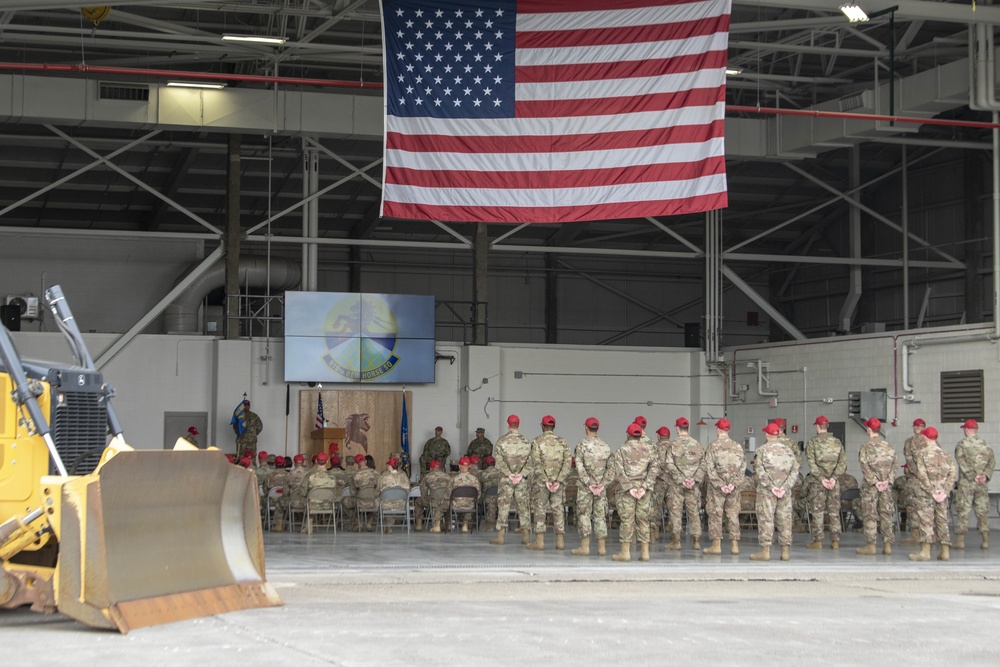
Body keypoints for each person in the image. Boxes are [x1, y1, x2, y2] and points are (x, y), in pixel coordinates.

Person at [608, 423, 659, 562]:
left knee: (627, 520)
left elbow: (618, 471)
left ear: (627, 435)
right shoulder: (649, 450)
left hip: (627, 491)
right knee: (643, 520)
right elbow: (654, 469)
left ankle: (625, 552)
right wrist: (645, 486)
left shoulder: (621, 450)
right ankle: (645, 552)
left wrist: (629, 487)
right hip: (644, 490)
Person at [751, 422, 799, 561]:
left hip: (767, 491)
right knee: (785, 520)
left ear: (767, 434)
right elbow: (794, 471)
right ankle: (785, 552)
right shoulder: (788, 451)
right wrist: (785, 487)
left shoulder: (761, 450)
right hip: (784, 491)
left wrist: (771, 486)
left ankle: (765, 552)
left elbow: (759, 471)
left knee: (766, 519)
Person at [909, 427, 957, 561]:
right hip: (942, 494)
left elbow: (922, 474)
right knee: (942, 521)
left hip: (926, 494)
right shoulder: (946, 454)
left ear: (925, 438)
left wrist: (932, 491)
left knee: (926, 521)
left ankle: (925, 552)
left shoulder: (922, 454)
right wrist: (945, 491)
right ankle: (945, 551)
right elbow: (952, 474)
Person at [526, 415, 572, 551]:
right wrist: (558, 480)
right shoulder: (562, 442)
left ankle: (539, 542)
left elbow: (536, 462)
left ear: (542, 426)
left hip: (541, 483)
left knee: (540, 509)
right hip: (558, 482)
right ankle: (560, 542)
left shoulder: (537, 441)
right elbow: (567, 463)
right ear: (554, 427)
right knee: (558, 510)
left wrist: (545, 479)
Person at [702, 419, 746, 555]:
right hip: (733, 487)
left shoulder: (713, 446)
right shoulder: (738, 447)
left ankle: (716, 545)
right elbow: (742, 468)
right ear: (728, 430)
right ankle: (734, 545)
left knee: (716, 514)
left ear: (718, 430)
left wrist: (720, 484)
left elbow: (709, 468)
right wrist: (733, 484)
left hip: (717, 488)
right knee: (733, 514)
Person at [662, 417, 705, 551]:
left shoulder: (673, 444)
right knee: (694, 512)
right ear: (688, 428)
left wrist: (681, 478)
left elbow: (669, 463)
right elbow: (703, 464)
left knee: (676, 512)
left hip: (677, 484)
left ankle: (676, 541)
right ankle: (696, 541)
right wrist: (693, 479)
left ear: (677, 428)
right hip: (693, 484)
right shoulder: (697, 444)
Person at [856, 418, 898, 556]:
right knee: (886, 514)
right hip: (886, 486)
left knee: (870, 515)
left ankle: (871, 546)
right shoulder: (889, 446)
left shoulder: (866, 446)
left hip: (871, 487)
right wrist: (887, 481)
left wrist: (875, 482)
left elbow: (864, 466)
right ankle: (887, 546)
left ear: (869, 429)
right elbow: (895, 465)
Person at [490, 415, 534, 546]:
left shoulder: (501, 441)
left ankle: (500, 536)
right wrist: (521, 474)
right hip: (521, 479)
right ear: (518, 425)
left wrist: (509, 474)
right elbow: (531, 461)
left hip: (506, 479)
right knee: (523, 507)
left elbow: (499, 462)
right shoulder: (526, 442)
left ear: (508, 425)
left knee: (503, 507)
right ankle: (526, 536)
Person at [571, 417, 612, 557]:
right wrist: (602, 484)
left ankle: (585, 547)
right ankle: (602, 548)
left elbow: (579, 466)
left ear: (586, 428)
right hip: (601, 488)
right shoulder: (606, 447)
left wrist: (589, 483)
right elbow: (611, 468)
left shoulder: (581, 446)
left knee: (584, 515)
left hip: (585, 487)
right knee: (600, 516)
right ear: (597, 429)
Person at [805, 415, 846, 550]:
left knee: (818, 511)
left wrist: (822, 479)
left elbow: (812, 463)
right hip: (834, 483)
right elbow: (842, 463)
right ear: (827, 426)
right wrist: (833, 478)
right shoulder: (837, 442)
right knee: (834, 511)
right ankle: (835, 541)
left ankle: (818, 541)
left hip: (818, 483)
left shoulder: (812, 443)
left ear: (817, 426)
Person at [954, 419, 995, 550]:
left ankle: (960, 541)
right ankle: (985, 540)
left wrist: (973, 476)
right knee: (982, 511)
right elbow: (992, 462)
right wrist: (985, 476)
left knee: (963, 511)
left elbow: (961, 462)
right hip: (981, 484)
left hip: (967, 484)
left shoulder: (962, 444)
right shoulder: (985, 444)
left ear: (966, 430)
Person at [900, 418, 928, 544]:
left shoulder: (910, 442)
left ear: (915, 428)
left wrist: (917, 473)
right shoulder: (932, 441)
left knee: (912, 506)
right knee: (928, 506)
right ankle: (930, 535)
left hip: (915, 479)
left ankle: (915, 534)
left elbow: (909, 460)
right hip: (929, 480)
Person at [301, 452, 339, 534]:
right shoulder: (332, 477)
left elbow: (303, 492)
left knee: (307, 499)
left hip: (312, 504)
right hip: (328, 505)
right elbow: (334, 492)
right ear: (327, 461)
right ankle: (310, 524)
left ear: (316, 461)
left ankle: (309, 524)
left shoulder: (309, 476)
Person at [342, 454, 380, 531]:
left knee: (344, 501)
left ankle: (357, 522)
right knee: (376, 502)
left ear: (357, 464)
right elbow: (379, 489)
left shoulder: (355, 475)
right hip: (374, 501)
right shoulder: (376, 473)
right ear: (365, 461)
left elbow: (353, 493)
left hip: (360, 501)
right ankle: (370, 523)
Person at [273, 454, 309, 532]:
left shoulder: (289, 475)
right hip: (306, 503)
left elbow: (285, 492)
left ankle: (279, 526)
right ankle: (310, 526)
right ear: (303, 462)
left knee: (279, 501)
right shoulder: (309, 474)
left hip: (293, 502)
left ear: (294, 462)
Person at [414, 459, 452, 532]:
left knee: (418, 501)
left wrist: (426, 502)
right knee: (446, 503)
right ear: (440, 468)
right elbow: (451, 489)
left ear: (430, 468)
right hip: (446, 501)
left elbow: (423, 491)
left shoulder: (427, 476)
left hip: (433, 500)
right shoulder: (447, 476)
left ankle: (418, 525)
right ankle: (448, 524)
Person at [377, 457, 411, 533]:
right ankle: (390, 526)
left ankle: (388, 526)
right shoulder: (404, 477)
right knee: (393, 501)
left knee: (384, 501)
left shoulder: (383, 477)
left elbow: (377, 490)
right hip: (402, 505)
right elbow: (408, 490)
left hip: (386, 505)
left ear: (390, 466)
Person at [450, 457, 482, 533]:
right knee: (470, 503)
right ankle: (465, 523)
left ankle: (447, 525)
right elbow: (479, 494)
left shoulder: (454, 479)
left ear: (459, 466)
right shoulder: (475, 479)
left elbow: (448, 494)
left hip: (456, 505)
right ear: (469, 466)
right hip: (470, 505)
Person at [481, 455, 504, 528]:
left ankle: (489, 524)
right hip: (501, 497)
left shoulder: (483, 473)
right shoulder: (501, 472)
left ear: (486, 464)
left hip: (487, 497)